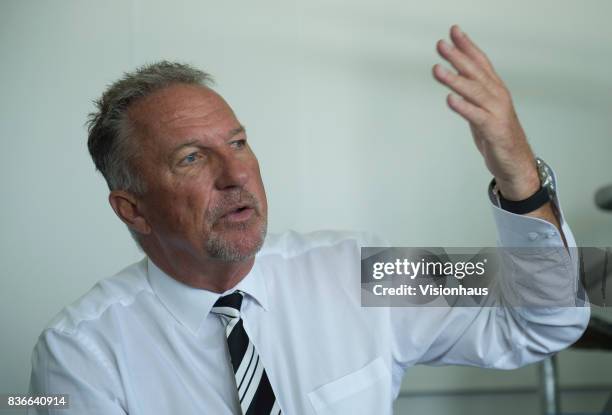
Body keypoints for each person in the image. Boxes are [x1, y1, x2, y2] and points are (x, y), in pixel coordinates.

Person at [28, 25, 589, 414]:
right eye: (191, 158)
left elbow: (546, 320)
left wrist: (520, 179)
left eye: (239, 143)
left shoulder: (358, 269)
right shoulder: (80, 352)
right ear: (133, 209)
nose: (235, 174)